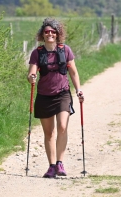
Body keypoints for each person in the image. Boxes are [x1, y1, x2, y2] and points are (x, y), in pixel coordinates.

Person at [27, 18, 84, 178]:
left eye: (53, 31)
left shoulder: (65, 50)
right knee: (49, 133)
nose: (50, 34)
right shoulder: (37, 53)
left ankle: (60, 163)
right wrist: (31, 77)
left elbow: (73, 72)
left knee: (63, 127)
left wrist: (78, 90)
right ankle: (51, 166)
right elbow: (31, 72)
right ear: (42, 35)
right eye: (47, 32)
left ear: (58, 34)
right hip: (44, 96)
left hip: (62, 94)